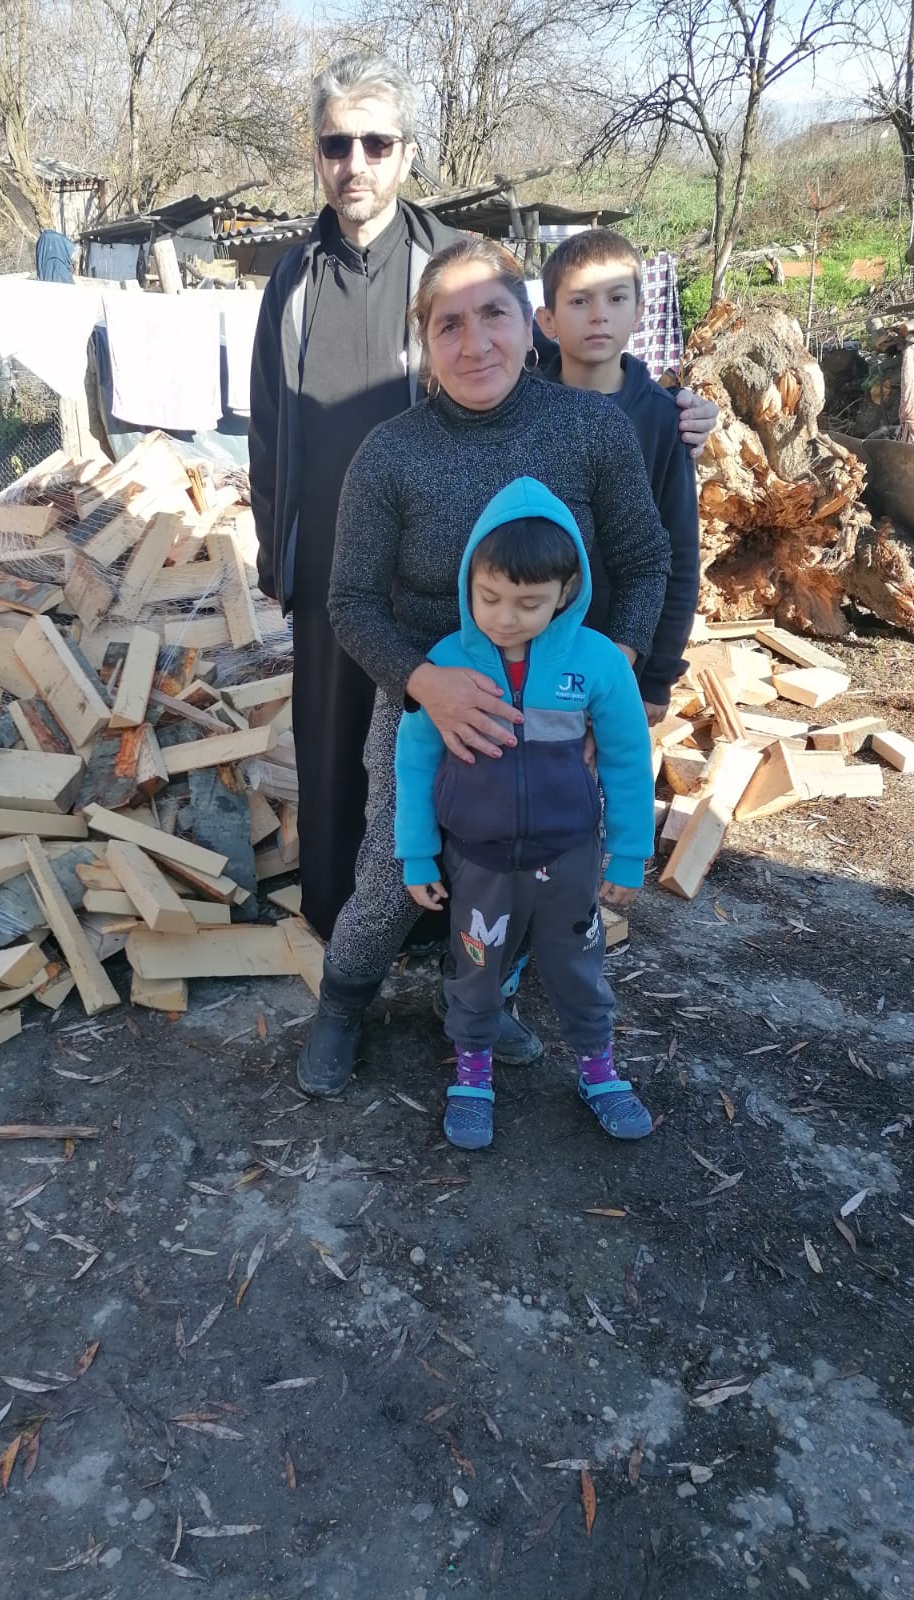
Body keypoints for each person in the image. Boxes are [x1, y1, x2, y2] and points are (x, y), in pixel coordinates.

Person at [248, 52, 716, 946]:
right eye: (336, 144)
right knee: (345, 755)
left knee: (477, 760)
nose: (355, 162)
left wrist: (662, 411)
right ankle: (348, 925)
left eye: (376, 143)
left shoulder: (449, 261)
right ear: (316, 154)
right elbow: (269, 426)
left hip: (469, 574)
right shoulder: (293, 278)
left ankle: (462, 939)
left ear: (406, 152)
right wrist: (282, 555)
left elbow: (541, 377)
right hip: (340, 571)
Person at [298, 235, 670, 1097]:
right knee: (394, 873)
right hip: (427, 697)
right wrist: (425, 685)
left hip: (557, 700)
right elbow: (351, 601)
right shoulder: (391, 454)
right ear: (424, 341)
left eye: (493, 315)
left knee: (536, 867)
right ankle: (342, 1004)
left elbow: (645, 560)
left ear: (527, 323)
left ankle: (477, 1000)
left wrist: (604, 680)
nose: (474, 345)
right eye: (449, 325)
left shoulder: (590, 429)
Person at [394, 480, 656, 1150]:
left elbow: (628, 758)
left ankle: (599, 1071)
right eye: (489, 598)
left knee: (578, 967)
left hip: (569, 859)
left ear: (567, 591)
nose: (505, 618)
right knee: (475, 969)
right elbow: (415, 763)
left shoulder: (598, 663)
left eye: (529, 603)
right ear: (469, 581)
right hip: (478, 862)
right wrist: (417, 854)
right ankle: (472, 1076)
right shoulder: (446, 664)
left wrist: (629, 854)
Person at [535, 228, 700, 721]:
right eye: (579, 300)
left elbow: (680, 553)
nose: (599, 315)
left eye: (616, 298)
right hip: (528, 654)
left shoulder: (665, 420)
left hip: (623, 660)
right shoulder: (524, 413)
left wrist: (657, 676)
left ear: (640, 310)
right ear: (547, 320)